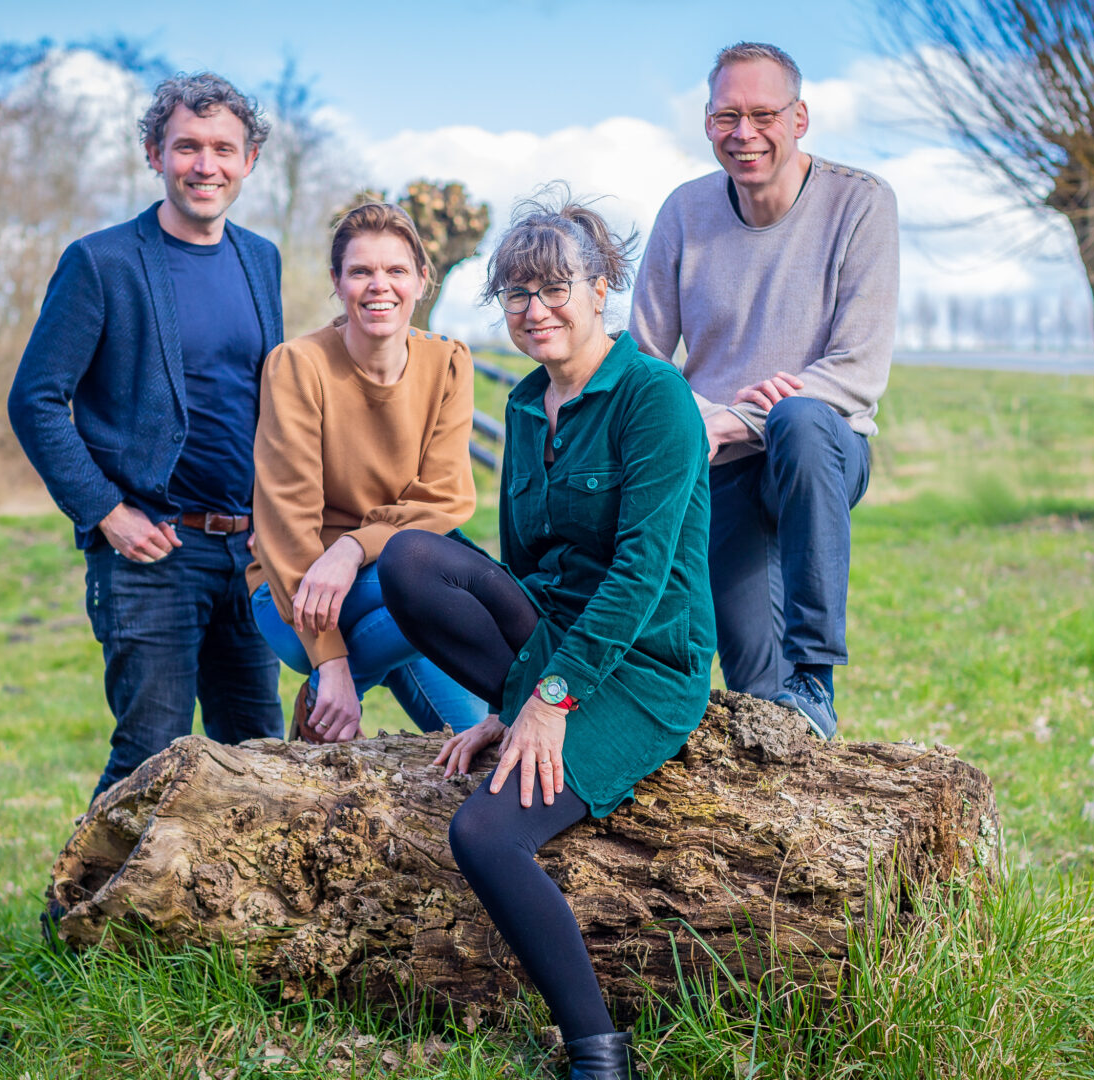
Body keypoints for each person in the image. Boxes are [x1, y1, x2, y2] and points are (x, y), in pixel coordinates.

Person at [379, 190, 713, 1080]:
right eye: (517, 295)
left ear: (602, 287)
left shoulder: (655, 396)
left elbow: (642, 575)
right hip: (556, 637)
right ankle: (518, 705)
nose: (536, 310)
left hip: (642, 664)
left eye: (556, 287)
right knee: (411, 561)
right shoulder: (528, 408)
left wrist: (553, 699)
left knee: (485, 836)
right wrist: (506, 706)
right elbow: (525, 570)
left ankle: (600, 1055)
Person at [8, 72, 284, 800]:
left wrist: (279, 520)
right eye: (186, 146)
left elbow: (272, 402)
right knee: (147, 758)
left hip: (249, 552)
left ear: (249, 159)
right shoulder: (101, 262)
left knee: (257, 759)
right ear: (153, 154)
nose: (205, 165)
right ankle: (79, 912)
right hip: (151, 552)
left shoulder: (262, 260)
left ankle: (227, 914)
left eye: (223, 148)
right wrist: (106, 512)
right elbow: (35, 400)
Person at [630, 41, 898, 741]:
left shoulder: (861, 203)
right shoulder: (684, 212)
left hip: (824, 450)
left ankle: (818, 670)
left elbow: (858, 368)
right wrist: (698, 420)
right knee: (760, 698)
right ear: (707, 122)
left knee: (801, 421)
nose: (743, 133)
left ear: (800, 117)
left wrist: (741, 417)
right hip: (719, 462)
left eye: (762, 114)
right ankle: (800, 730)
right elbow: (645, 361)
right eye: (726, 116)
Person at [246, 202, 487, 743]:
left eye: (396, 270)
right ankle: (332, 686)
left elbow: (445, 497)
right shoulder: (298, 365)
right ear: (338, 282)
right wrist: (329, 662)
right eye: (361, 271)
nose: (380, 286)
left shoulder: (449, 363)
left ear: (422, 280)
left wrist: (352, 549)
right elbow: (286, 522)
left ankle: (315, 724)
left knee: (474, 743)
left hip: (399, 574)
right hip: (300, 590)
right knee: (449, 592)